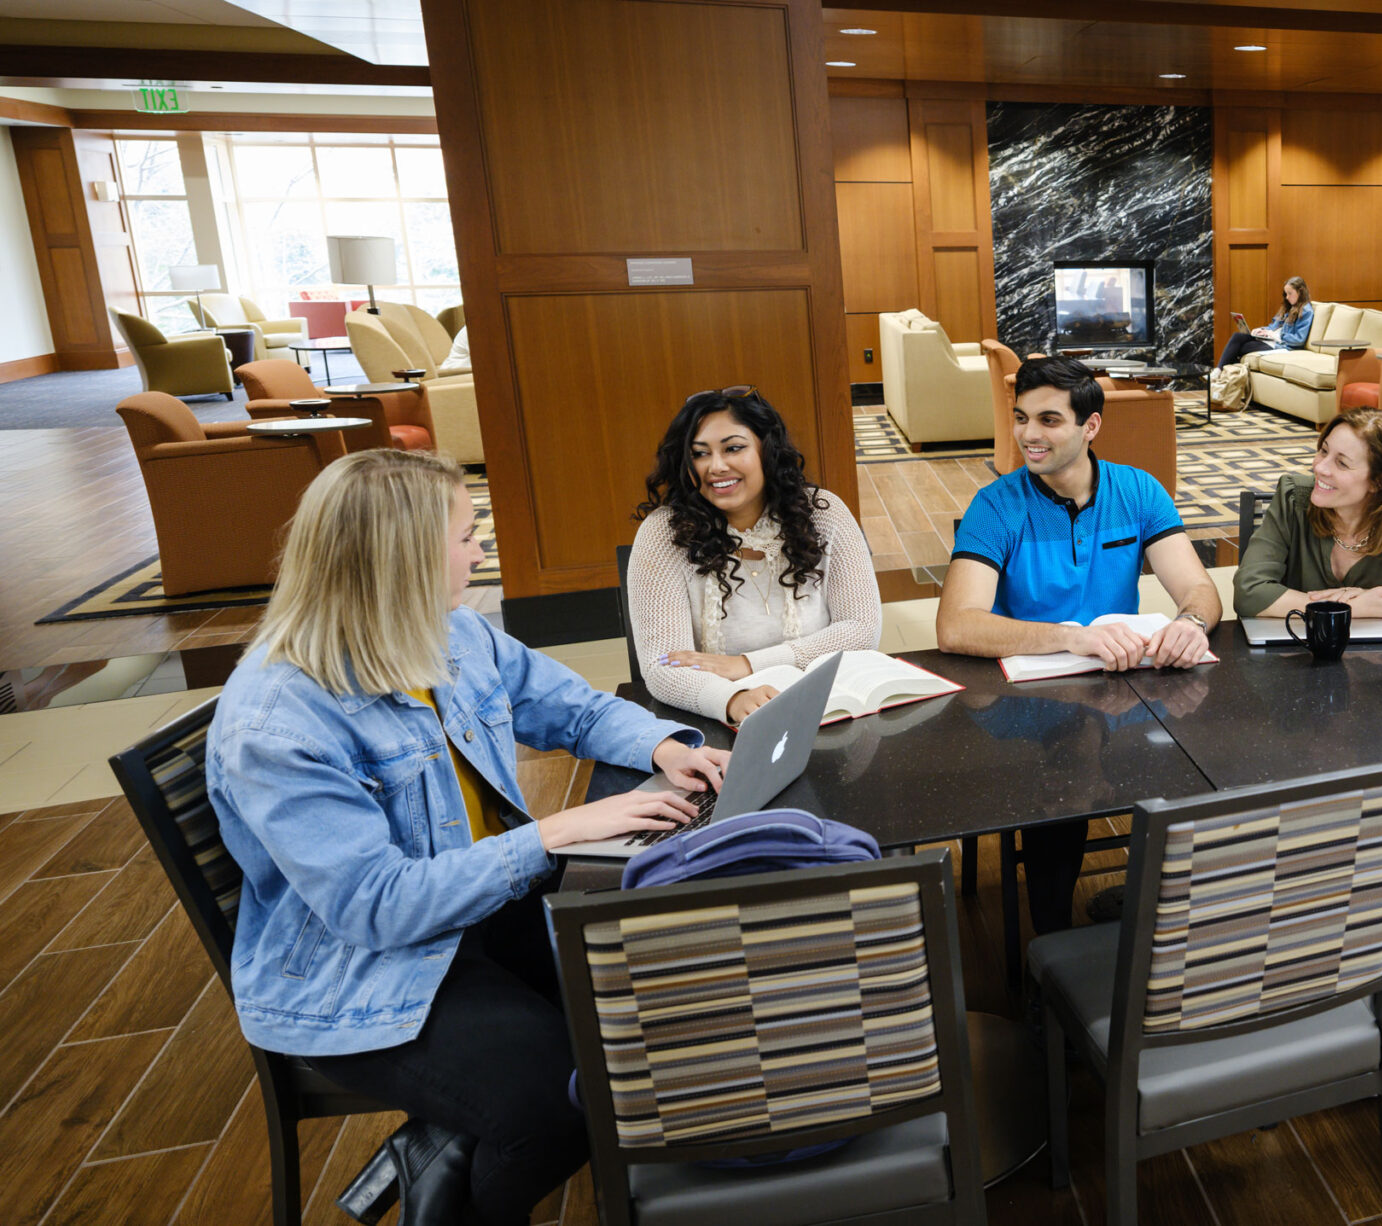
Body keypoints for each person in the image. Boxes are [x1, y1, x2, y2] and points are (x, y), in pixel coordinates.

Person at [208, 449, 726, 1226]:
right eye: (465, 534)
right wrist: (553, 833)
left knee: (659, 994)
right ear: (404, 558)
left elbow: (574, 708)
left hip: (482, 910)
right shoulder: (278, 720)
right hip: (369, 972)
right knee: (564, 1105)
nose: (479, 550)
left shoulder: (449, 631)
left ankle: (442, 1146)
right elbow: (374, 909)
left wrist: (665, 749)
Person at [938, 355, 1223, 933]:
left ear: (1090, 426)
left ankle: (1172, 925)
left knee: (1201, 771)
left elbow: (1199, 589)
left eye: (1048, 420)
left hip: (1126, 683)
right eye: (1021, 418)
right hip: (1028, 694)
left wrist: (1189, 622)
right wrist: (1074, 636)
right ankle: (1051, 952)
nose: (1027, 436)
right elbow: (956, 626)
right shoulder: (997, 505)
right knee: (1061, 801)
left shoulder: (1138, 490)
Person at [627, 386, 882, 724]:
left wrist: (748, 664)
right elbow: (664, 666)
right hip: (723, 721)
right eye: (700, 454)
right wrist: (732, 699)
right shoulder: (663, 535)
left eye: (733, 448)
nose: (716, 467)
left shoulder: (824, 514)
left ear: (767, 450)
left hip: (827, 707)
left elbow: (862, 630)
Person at [1232, 408, 1382, 619]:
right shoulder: (1293, 498)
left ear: (1380, 481)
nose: (1320, 467)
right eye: (1323, 450)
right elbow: (1249, 592)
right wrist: (1349, 608)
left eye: (1341, 463)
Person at [1216, 275, 1314, 368]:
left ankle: (1220, 374)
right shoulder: (1289, 307)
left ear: (1300, 292)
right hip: (1270, 339)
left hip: (1281, 345)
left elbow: (1299, 340)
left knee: (1241, 348)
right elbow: (1273, 327)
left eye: (1290, 293)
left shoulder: (1306, 311)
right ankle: (1219, 372)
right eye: (1286, 294)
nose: (1287, 297)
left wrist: (1275, 335)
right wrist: (1262, 330)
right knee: (1237, 336)